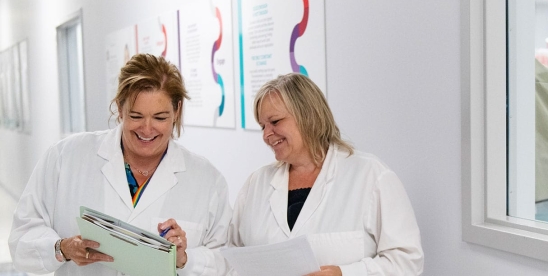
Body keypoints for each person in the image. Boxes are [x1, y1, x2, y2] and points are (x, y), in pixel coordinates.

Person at [9, 53, 232, 275]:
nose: (146, 129)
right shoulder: (65, 158)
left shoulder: (208, 181)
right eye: (135, 116)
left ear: (177, 111)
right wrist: (62, 249)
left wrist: (185, 259)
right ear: (119, 107)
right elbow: (21, 240)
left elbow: (226, 262)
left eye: (160, 118)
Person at [227, 73, 423, 275]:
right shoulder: (256, 184)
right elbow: (233, 257)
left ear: (307, 115)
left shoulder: (371, 176)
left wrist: (345, 273)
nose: (266, 135)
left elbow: (407, 262)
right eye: (262, 126)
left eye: (275, 121)